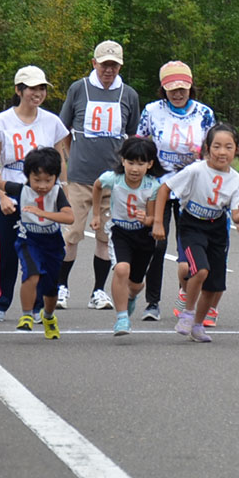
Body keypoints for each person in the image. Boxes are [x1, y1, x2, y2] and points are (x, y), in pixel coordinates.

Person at [57, 40, 140, 310]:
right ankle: (62, 287)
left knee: (105, 237)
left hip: (112, 180)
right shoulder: (78, 89)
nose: (109, 70)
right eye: (104, 64)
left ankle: (98, 291)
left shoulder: (128, 95)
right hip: (80, 178)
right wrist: (71, 159)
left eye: (114, 65)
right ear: (94, 63)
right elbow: (63, 129)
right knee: (72, 234)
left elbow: (132, 136)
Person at [0, 65, 69, 322]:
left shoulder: (52, 121)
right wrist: (3, 196)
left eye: (42, 88)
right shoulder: (1, 121)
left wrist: (63, 191)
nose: (38, 93)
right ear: (19, 90)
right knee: (8, 252)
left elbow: (60, 161)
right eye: (32, 88)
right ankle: (0, 302)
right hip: (10, 193)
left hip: (44, 196)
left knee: (41, 252)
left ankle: (40, 306)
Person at [152, 123, 239, 343]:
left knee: (213, 286)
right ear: (207, 148)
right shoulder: (196, 170)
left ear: (236, 150)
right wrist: (158, 222)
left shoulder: (236, 179)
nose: (222, 152)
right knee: (200, 270)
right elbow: (164, 189)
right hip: (192, 225)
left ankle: (197, 325)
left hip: (217, 228)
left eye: (228, 147)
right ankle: (187, 313)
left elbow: (234, 215)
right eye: (216, 146)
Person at [136, 60, 216, 321]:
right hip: (160, 184)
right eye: (172, 88)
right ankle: (152, 303)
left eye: (183, 88)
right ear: (163, 88)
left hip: (192, 186)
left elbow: (213, 149)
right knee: (156, 244)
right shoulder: (151, 111)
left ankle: (188, 294)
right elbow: (139, 144)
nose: (178, 93)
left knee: (190, 246)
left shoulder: (204, 113)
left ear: (191, 87)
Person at [0, 148, 73, 339]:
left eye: (48, 180)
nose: (42, 186)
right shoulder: (22, 190)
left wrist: (44, 214)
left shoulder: (57, 194)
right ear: (28, 176)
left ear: (55, 178)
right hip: (29, 241)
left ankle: (49, 317)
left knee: (51, 288)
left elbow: (69, 217)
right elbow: (0, 182)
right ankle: (26, 315)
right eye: (37, 180)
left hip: (52, 245)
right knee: (31, 274)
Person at [90, 137, 163, 336]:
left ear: (150, 164)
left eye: (141, 164)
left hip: (143, 236)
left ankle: (130, 298)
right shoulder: (112, 178)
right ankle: (122, 318)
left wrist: (145, 219)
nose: (134, 169)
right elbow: (97, 186)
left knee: (137, 284)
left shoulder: (153, 186)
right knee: (122, 269)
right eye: (131, 162)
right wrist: (96, 214)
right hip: (120, 232)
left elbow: (151, 218)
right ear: (123, 161)